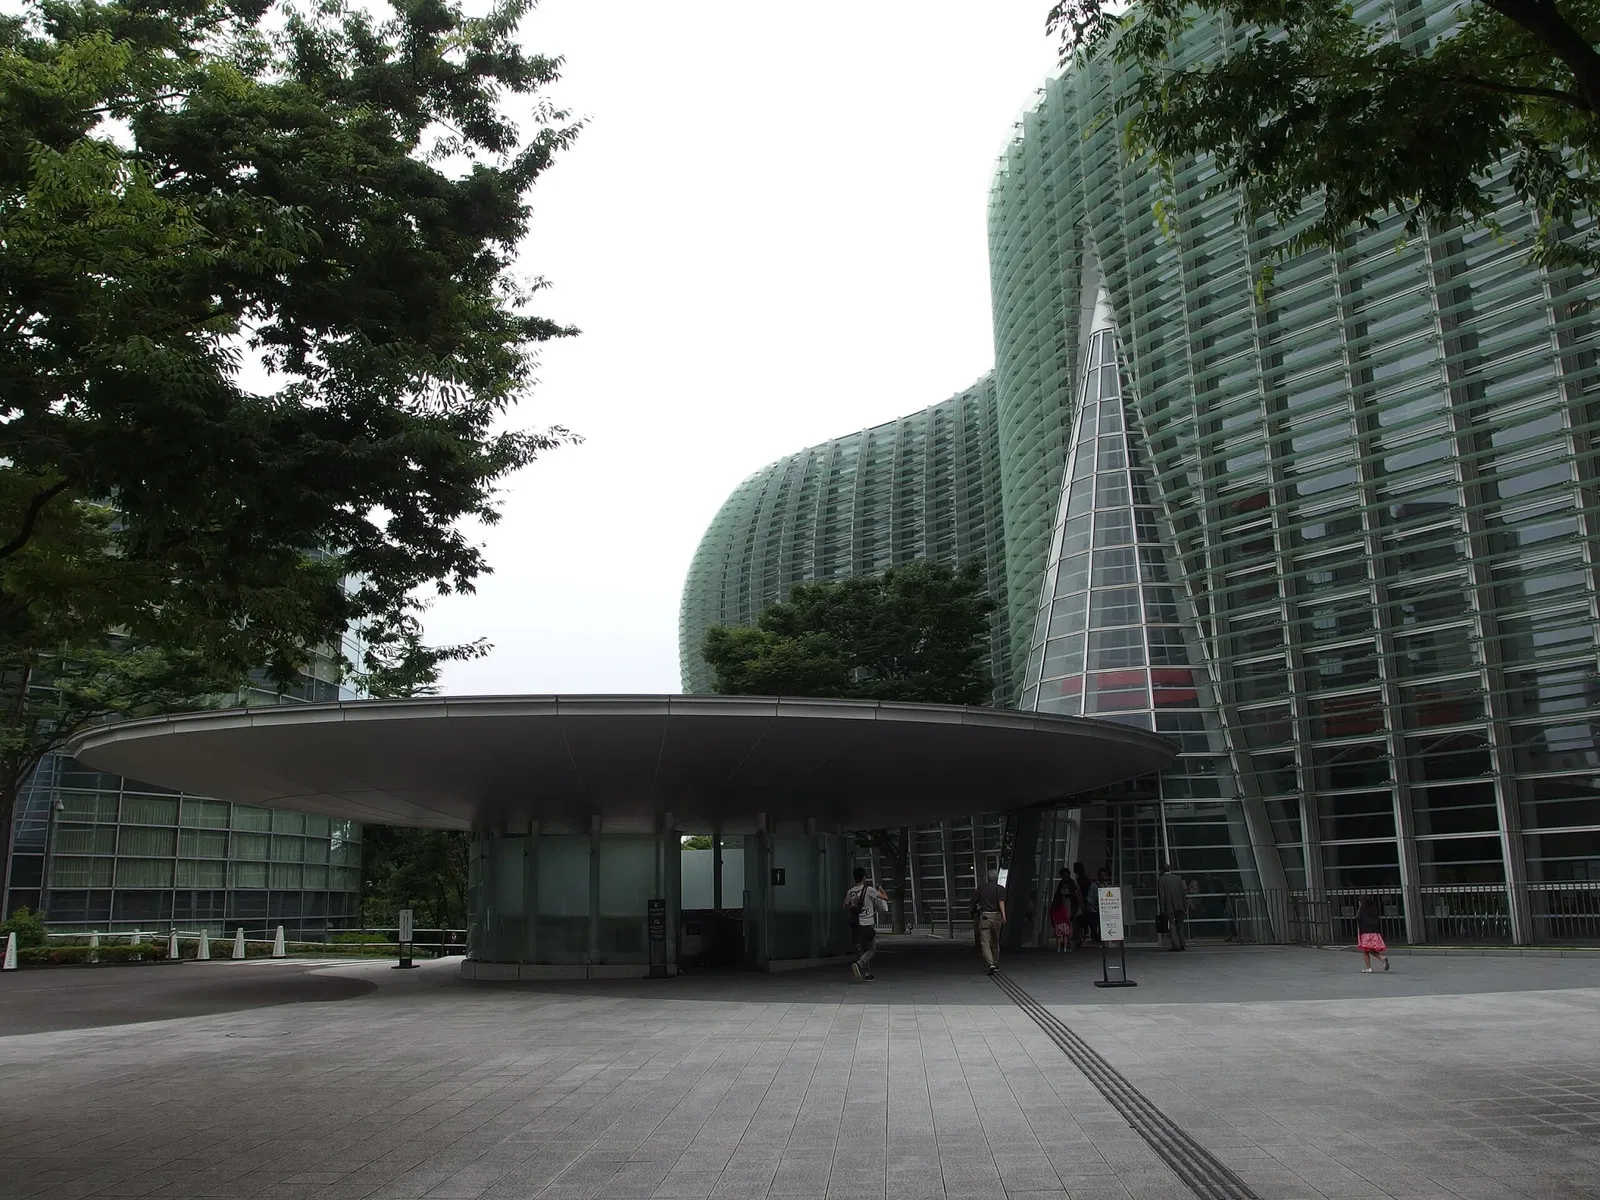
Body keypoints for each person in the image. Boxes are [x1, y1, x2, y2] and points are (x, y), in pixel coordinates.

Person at [844, 867, 888, 981]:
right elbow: (885, 897)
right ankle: (859, 964)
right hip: (867, 923)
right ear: (864, 877)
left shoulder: (850, 891)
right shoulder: (869, 890)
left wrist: (853, 907)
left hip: (856, 924)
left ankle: (868, 974)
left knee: (863, 949)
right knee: (872, 949)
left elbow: (845, 906)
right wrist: (880, 888)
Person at [972, 867, 1007, 974]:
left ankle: (990, 963)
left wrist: (972, 913)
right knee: (996, 941)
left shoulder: (981, 888)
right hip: (996, 917)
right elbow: (1001, 902)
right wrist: (1004, 916)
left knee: (985, 942)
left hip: (985, 917)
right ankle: (995, 963)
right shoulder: (1000, 889)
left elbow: (974, 902)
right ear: (997, 878)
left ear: (988, 878)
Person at [1157, 861, 1188, 951]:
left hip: (1169, 905)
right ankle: (1182, 943)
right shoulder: (1178, 878)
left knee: (1172, 925)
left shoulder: (1161, 880)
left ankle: (1175, 945)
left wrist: (1162, 909)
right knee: (1180, 925)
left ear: (1161, 870)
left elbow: (1161, 895)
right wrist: (1185, 905)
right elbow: (1183, 892)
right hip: (1180, 905)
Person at [1356, 896, 1391, 973]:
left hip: (1365, 932)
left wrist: (1360, 908)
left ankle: (1369, 968)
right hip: (1374, 932)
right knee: (1370, 949)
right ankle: (1382, 957)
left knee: (1365, 951)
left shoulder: (1362, 909)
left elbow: (1357, 917)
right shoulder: (1373, 910)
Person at [1048, 868, 1075, 953]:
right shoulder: (1064, 884)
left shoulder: (1069, 883)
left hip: (1059, 921)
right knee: (1066, 934)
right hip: (1066, 914)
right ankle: (1066, 947)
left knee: (1059, 936)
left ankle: (1060, 948)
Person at [1072, 862, 1094, 948]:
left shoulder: (1079, 880)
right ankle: (1081, 937)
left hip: (1081, 901)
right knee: (1082, 920)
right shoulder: (1085, 879)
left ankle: (1079, 938)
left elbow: (1080, 893)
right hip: (1084, 900)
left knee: (1078, 920)